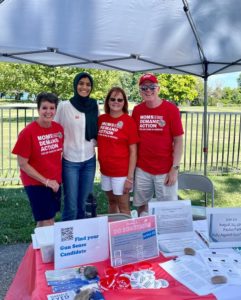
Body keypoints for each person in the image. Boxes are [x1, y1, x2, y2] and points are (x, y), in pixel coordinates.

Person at [132, 73, 184, 216]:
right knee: (141, 206)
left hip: (165, 169)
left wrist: (175, 168)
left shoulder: (171, 109)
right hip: (142, 168)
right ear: (140, 91)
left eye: (152, 87)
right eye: (144, 88)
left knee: (169, 210)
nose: (148, 90)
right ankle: (145, 234)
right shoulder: (137, 111)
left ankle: (166, 237)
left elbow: (179, 140)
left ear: (158, 89)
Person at [12, 92, 64, 227]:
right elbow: (22, 164)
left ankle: (37, 247)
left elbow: (58, 155)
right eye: (44, 108)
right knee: (48, 221)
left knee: (46, 219)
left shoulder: (58, 129)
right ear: (38, 109)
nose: (48, 112)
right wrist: (45, 181)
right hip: (36, 183)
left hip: (54, 182)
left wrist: (55, 180)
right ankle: (46, 248)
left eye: (52, 108)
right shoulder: (28, 132)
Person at [54, 72, 98, 220]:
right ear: (75, 85)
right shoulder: (64, 106)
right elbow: (54, 129)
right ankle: (67, 240)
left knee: (84, 204)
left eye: (88, 84)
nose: (84, 87)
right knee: (71, 206)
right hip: (70, 161)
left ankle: (82, 240)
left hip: (89, 160)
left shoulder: (94, 105)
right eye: (81, 83)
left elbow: (97, 129)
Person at [97, 87, 139, 215]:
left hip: (121, 173)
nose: (116, 102)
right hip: (105, 171)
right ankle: (113, 231)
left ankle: (126, 234)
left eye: (120, 99)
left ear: (124, 102)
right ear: (108, 101)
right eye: (113, 99)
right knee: (111, 202)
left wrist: (129, 178)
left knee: (124, 207)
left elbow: (133, 152)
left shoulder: (129, 121)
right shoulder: (101, 119)